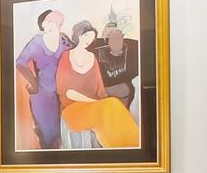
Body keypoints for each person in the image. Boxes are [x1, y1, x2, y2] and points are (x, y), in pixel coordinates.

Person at [58, 22, 141, 148]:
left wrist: (104, 101)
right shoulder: (66, 56)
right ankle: (125, 146)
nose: (89, 40)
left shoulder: (92, 57)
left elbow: (100, 89)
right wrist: (96, 102)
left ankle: (130, 146)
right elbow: (66, 91)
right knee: (109, 106)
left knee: (113, 104)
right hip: (73, 110)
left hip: (95, 106)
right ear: (78, 34)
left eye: (92, 37)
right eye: (86, 36)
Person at [14, 9, 70, 147]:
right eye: (48, 21)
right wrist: (33, 83)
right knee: (48, 135)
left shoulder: (64, 40)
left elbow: (74, 53)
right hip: (43, 94)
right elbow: (20, 62)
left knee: (63, 134)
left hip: (63, 93)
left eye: (54, 21)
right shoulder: (37, 42)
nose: (51, 24)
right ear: (43, 24)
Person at [90, 24, 138, 103]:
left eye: (118, 37)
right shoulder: (97, 52)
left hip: (124, 94)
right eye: (111, 37)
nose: (115, 41)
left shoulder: (132, 49)